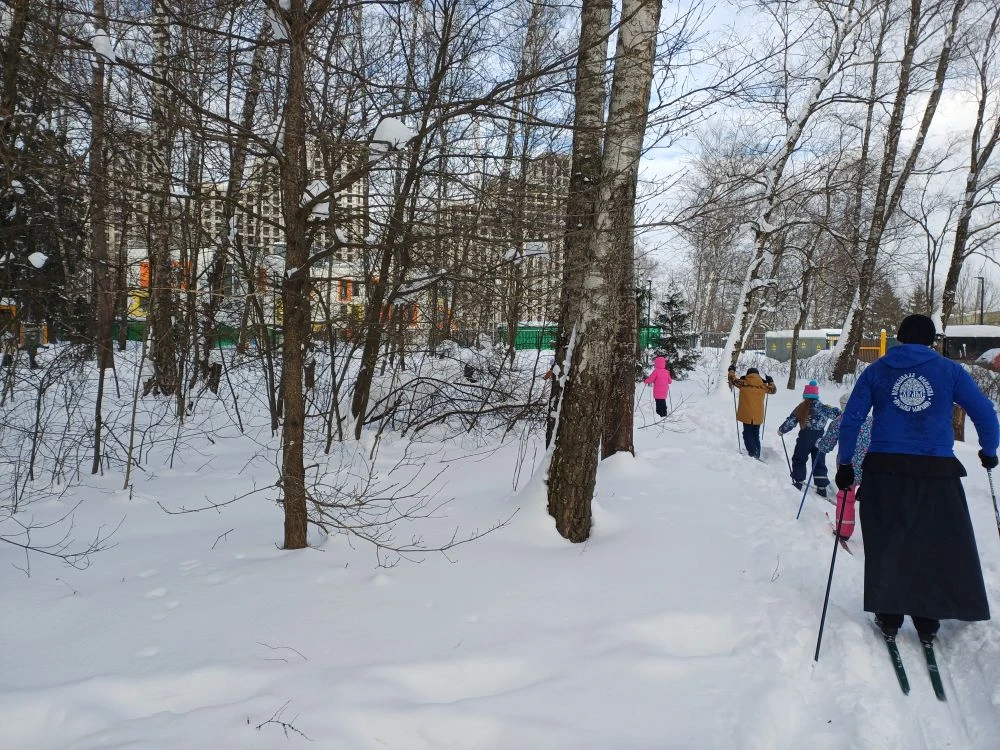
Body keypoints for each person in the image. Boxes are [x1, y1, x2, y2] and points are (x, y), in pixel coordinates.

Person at [836, 314, 999, 644]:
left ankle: (889, 613)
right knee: (933, 542)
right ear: (932, 341)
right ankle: (927, 617)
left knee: (888, 541)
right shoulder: (950, 370)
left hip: (885, 468)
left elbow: (852, 418)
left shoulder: (877, 370)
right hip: (936, 471)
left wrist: (845, 462)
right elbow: (984, 412)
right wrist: (988, 449)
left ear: (899, 337)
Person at [816, 391, 872, 539]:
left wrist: (819, 444)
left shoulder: (839, 422)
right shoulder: (871, 421)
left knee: (846, 497)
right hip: (869, 466)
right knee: (870, 498)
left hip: (847, 467)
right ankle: (874, 532)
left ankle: (844, 530)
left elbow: (826, 445)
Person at [777, 380, 840, 497]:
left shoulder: (801, 407)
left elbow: (791, 421)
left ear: (805, 395)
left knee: (799, 458)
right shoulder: (823, 407)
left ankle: (798, 481)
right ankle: (821, 487)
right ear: (816, 395)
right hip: (820, 437)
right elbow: (838, 414)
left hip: (805, 437)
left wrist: (782, 430)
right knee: (819, 460)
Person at [728, 365, 777, 458]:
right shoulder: (763, 386)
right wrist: (770, 381)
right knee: (755, 434)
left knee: (747, 434)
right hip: (758, 415)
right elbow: (773, 390)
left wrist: (731, 370)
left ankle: (752, 452)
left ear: (748, 374)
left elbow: (732, 379)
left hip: (747, 414)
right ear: (758, 375)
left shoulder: (743, 383)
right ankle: (756, 453)